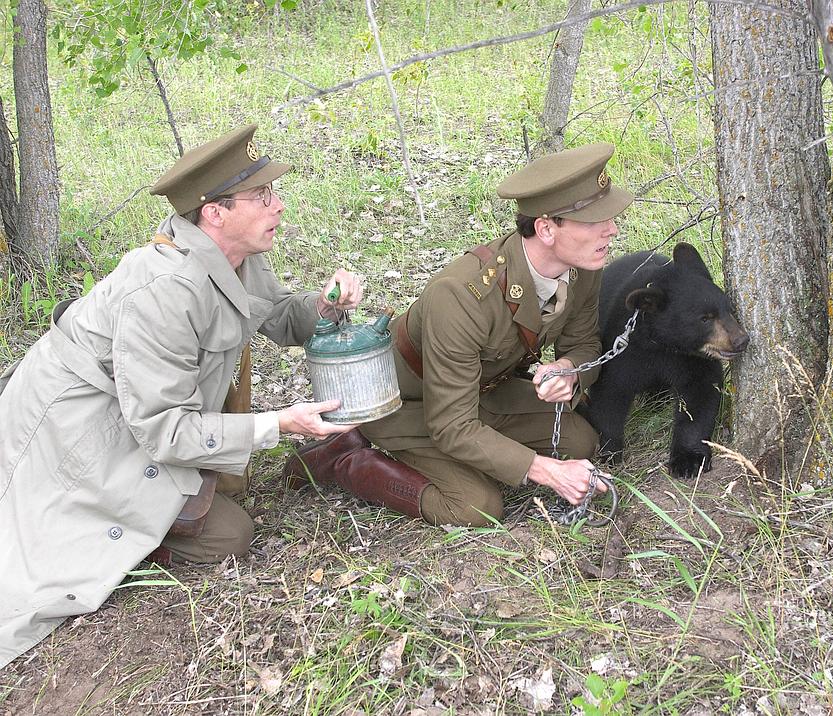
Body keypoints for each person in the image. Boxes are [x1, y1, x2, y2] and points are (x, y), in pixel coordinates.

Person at [0, 124, 363, 668]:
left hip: (145, 415)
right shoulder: (164, 289)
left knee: (228, 515)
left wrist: (326, 306)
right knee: (226, 537)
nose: (279, 206)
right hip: (83, 428)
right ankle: (125, 537)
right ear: (214, 212)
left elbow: (279, 316)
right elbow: (165, 431)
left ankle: (157, 514)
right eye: (262, 196)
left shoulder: (239, 253)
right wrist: (278, 425)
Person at [282, 143, 633, 526]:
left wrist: (568, 368)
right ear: (547, 228)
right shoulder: (461, 295)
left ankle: (457, 458)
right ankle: (347, 457)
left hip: (481, 390)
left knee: (580, 441)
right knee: (476, 505)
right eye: (595, 221)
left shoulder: (583, 265)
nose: (611, 229)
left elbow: (584, 344)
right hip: (407, 403)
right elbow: (451, 425)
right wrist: (547, 471)